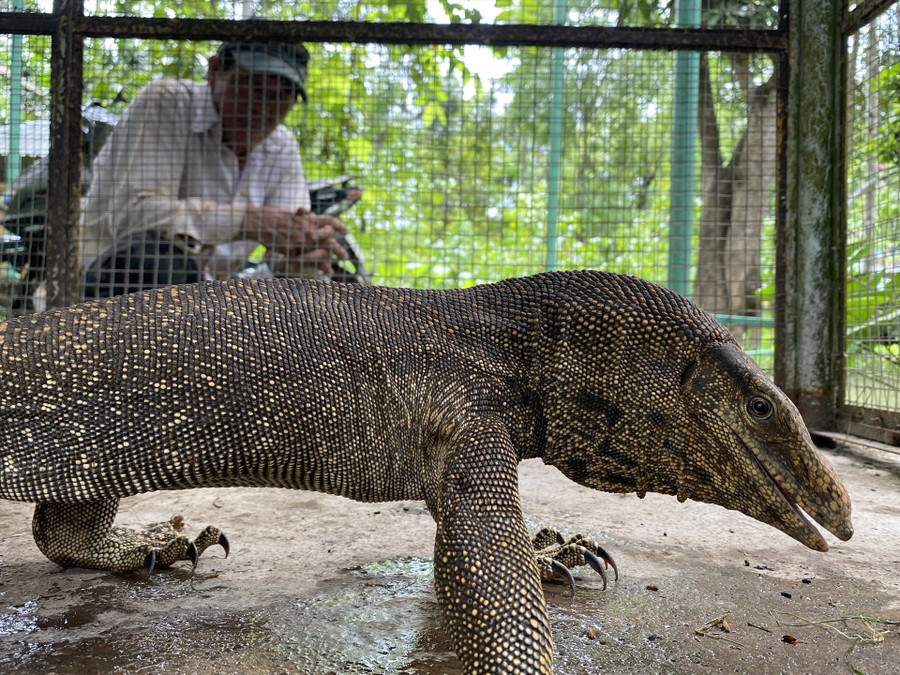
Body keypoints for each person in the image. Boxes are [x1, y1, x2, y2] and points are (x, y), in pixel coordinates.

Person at [79, 41, 348, 299]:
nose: (261, 109)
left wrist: (302, 256)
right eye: (251, 86)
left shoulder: (282, 148)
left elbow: (286, 243)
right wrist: (248, 221)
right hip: (101, 288)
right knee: (157, 258)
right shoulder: (169, 102)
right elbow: (131, 216)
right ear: (215, 72)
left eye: (280, 97)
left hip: (201, 305)